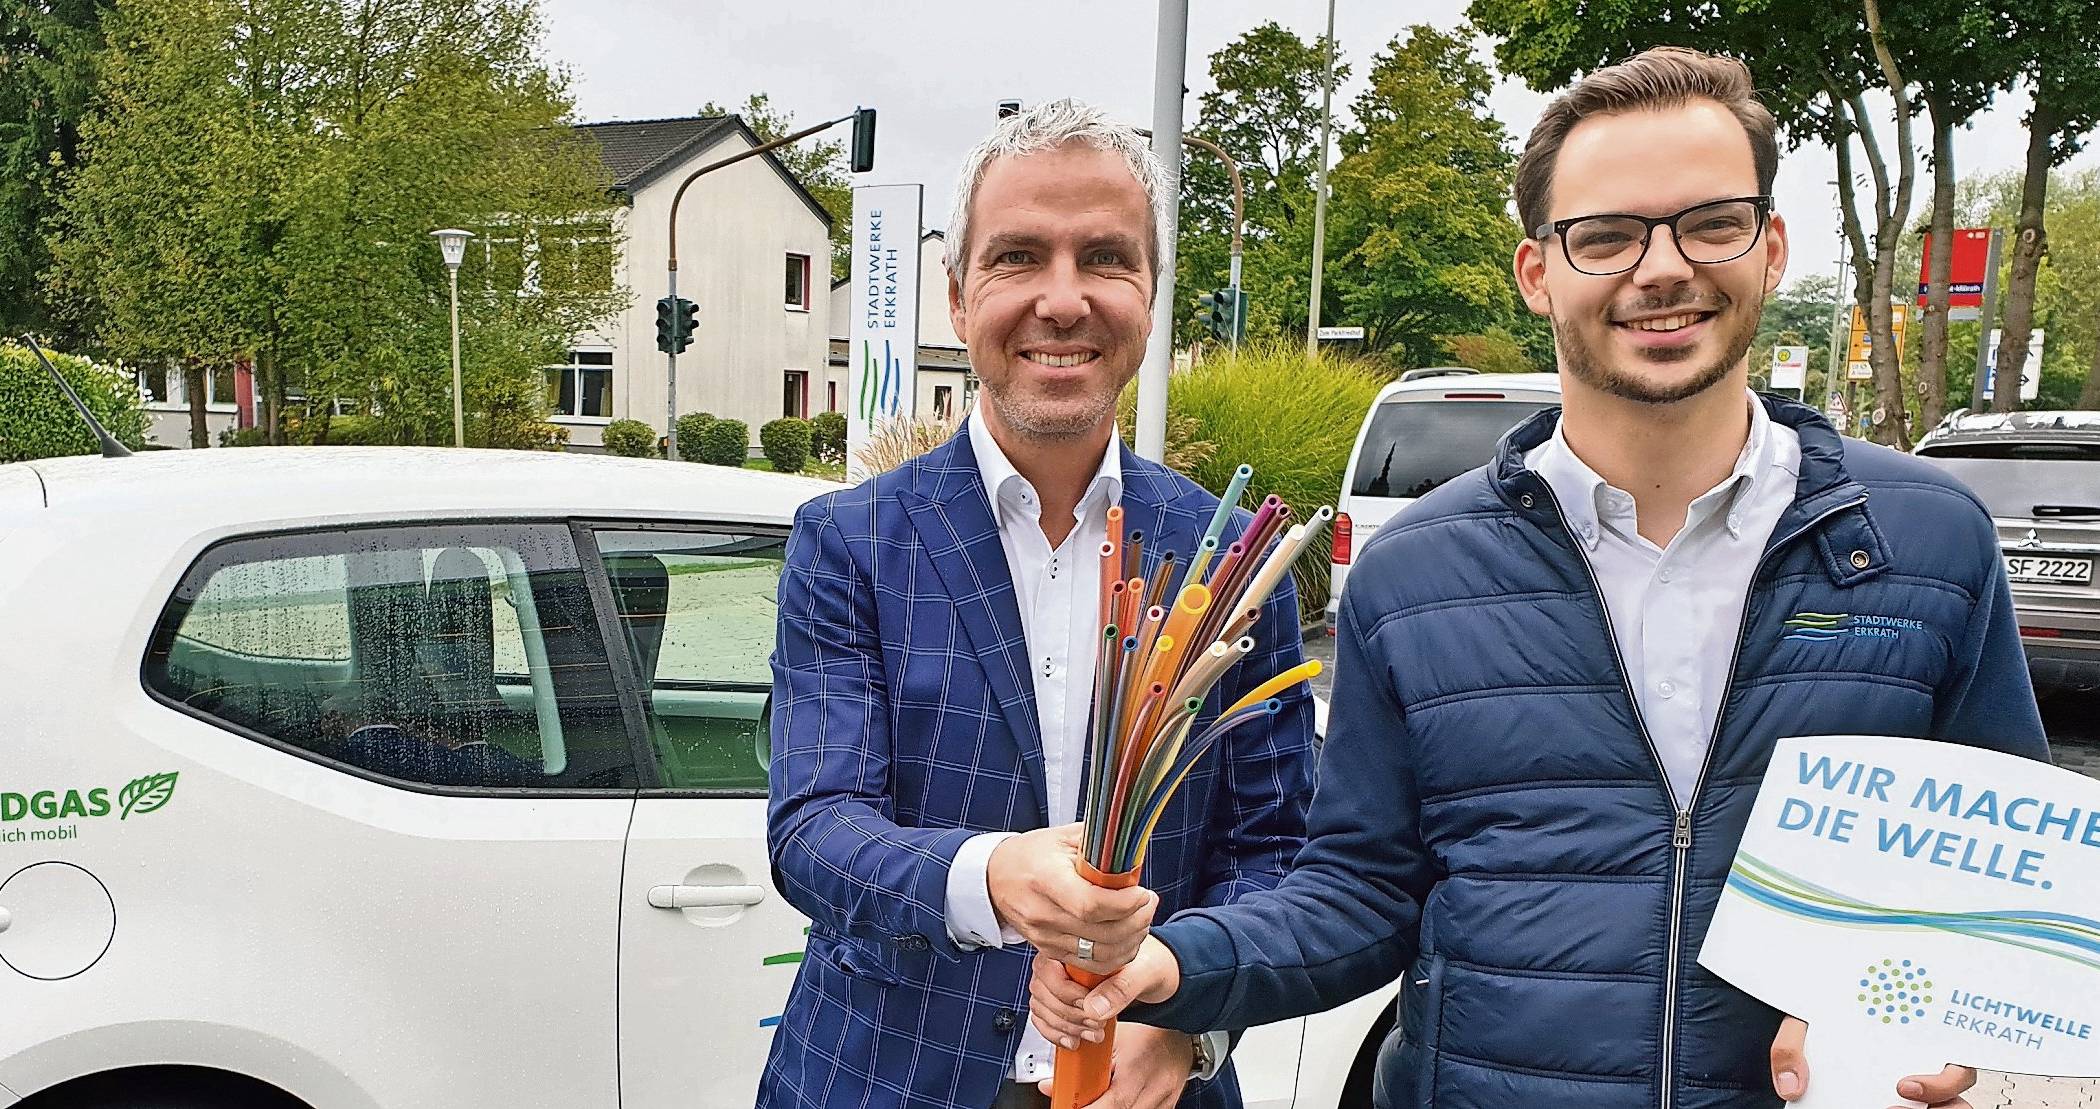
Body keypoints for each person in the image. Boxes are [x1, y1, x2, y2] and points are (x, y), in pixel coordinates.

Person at [1027, 48, 2049, 1109]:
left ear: (1772, 245)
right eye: (1605, 235)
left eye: (1710, 222)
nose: (1663, 269)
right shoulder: (1418, 570)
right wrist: (1175, 968)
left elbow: (1990, 887)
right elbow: (1361, 889)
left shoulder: (1926, 542)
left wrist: (1924, 1007)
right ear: (1537, 272)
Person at [759, 99, 1317, 1109]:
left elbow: (1278, 847)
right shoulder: (850, 542)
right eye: (1019, 256)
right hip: (883, 1079)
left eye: (1104, 257)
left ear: (1152, 292)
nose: (1062, 301)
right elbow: (812, 829)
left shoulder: (1230, 559)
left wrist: (1191, 1018)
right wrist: (996, 873)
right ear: (957, 293)